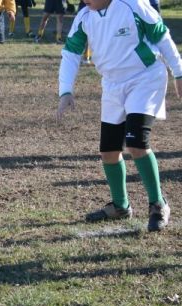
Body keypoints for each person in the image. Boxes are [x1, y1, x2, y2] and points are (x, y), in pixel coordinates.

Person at [57, 0, 182, 232]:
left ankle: (158, 204)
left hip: (145, 79)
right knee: (108, 152)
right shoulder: (85, 17)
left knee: (136, 143)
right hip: (112, 86)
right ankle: (121, 206)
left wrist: (179, 72)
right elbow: (71, 53)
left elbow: (161, 36)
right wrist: (66, 90)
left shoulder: (133, 5)